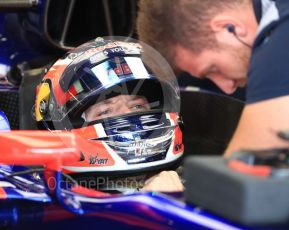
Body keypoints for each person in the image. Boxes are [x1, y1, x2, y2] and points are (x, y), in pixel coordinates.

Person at [137, 0, 289, 157]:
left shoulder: (279, 41)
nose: (228, 88)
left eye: (213, 69)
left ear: (229, 28)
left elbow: (238, 175)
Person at [35, 38, 184, 192]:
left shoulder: (193, 186)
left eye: (137, 106)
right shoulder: (57, 201)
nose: (127, 114)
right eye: (105, 111)